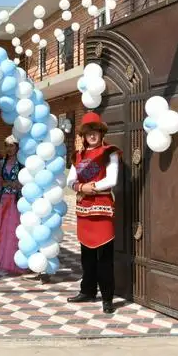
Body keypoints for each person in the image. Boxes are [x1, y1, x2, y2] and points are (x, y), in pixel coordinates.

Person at [66, 112, 122, 315]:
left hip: (102, 208)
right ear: (83, 135)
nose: (92, 135)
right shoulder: (78, 156)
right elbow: (70, 181)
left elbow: (112, 179)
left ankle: (107, 298)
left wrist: (92, 187)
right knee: (86, 255)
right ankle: (87, 290)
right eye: (88, 132)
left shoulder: (109, 152)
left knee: (105, 257)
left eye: (95, 131)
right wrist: (81, 187)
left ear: (101, 133)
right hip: (84, 210)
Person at [0, 136, 24, 273]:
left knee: (13, 230)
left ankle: (15, 261)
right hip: (2, 200)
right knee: (1, 230)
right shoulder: (1, 163)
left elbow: (27, 181)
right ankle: (0, 259)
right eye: (7, 146)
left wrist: (16, 184)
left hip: (16, 202)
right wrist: (2, 184)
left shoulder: (22, 164)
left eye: (12, 145)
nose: (9, 149)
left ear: (17, 147)